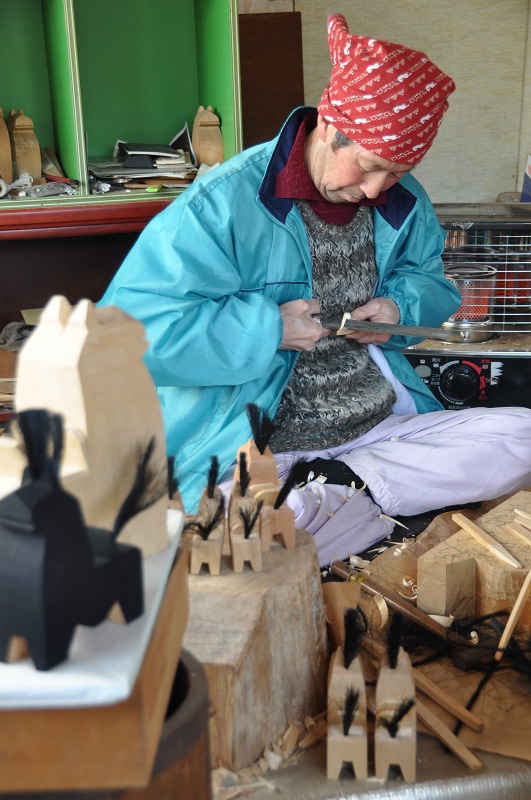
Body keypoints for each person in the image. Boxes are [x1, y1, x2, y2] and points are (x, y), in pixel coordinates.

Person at [100, 13, 531, 565]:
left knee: (521, 435)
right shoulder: (220, 205)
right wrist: (266, 328)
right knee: (249, 550)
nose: (376, 190)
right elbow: (129, 338)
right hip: (259, 447)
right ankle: (354, 508)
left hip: (378, 433)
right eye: (369, 167)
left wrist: (399, 305)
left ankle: (343, 491)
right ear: (328, 126)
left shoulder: (405, 200)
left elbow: (431, 282)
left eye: (395, 174)